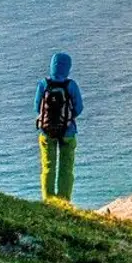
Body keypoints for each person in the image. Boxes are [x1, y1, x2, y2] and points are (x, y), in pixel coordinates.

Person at [34, 51, 83, 202]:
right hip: (68, 132)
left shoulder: (44, 84)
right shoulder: (71, 85)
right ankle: (63, 200)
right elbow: (79, 107)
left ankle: (48, 199)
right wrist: (68, 119)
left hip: (46, 132)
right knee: (66, 168)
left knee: (48, 166)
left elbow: (37, 107)